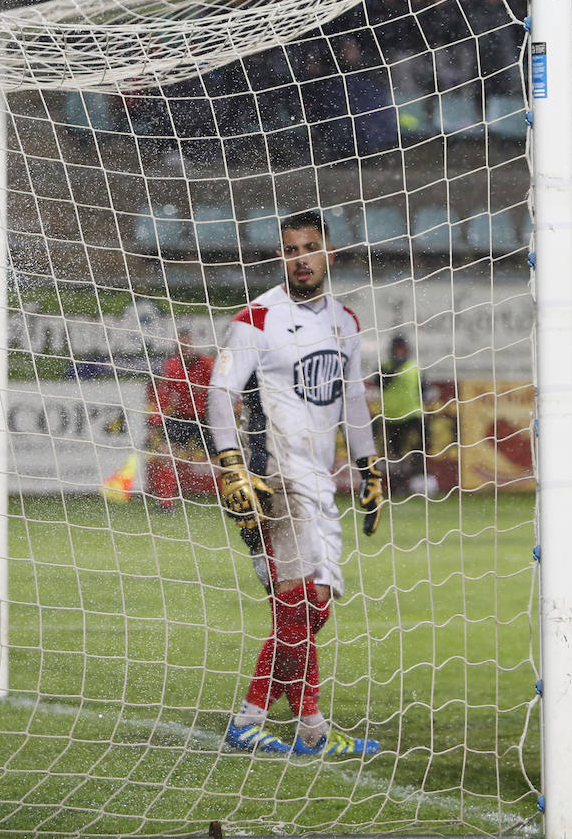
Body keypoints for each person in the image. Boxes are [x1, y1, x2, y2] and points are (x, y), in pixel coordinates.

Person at [206, 210, 383, 758]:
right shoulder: (257, 318)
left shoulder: (345, 322)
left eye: (309, 247)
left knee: (314, 604)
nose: (300, 257)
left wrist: (369, 467)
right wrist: (233, 464)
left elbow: (353, 400)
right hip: (271, 477)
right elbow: (219, 392)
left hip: (320, 483)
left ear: (329, 253)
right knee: (301, 599)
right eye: (289, 249)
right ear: (279, 257)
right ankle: (253, 720)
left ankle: (309, 731)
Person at [144, 329, 216, 508]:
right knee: (166, 452)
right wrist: (154, 422)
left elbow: (219, 390)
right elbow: (164, 393)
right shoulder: (171, 365)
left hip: (206, 417)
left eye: (187, 345)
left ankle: (240, 497)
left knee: (229, 455)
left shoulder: (207, 364)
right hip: (180, 417)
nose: (185, 349)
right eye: (181, 346)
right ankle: (166, 501)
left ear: (193, 346)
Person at [376, 334, 430, 494]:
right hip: (392, 416)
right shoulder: (384, 366)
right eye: (396, 349)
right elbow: (380, 384)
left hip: (414, 414)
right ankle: (398, 485)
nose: (399, 352)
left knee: (421, 447)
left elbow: (424, 388)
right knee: (395, 453)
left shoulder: (415, 367)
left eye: (402, 349)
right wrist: (394, 368)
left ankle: (418, 480)